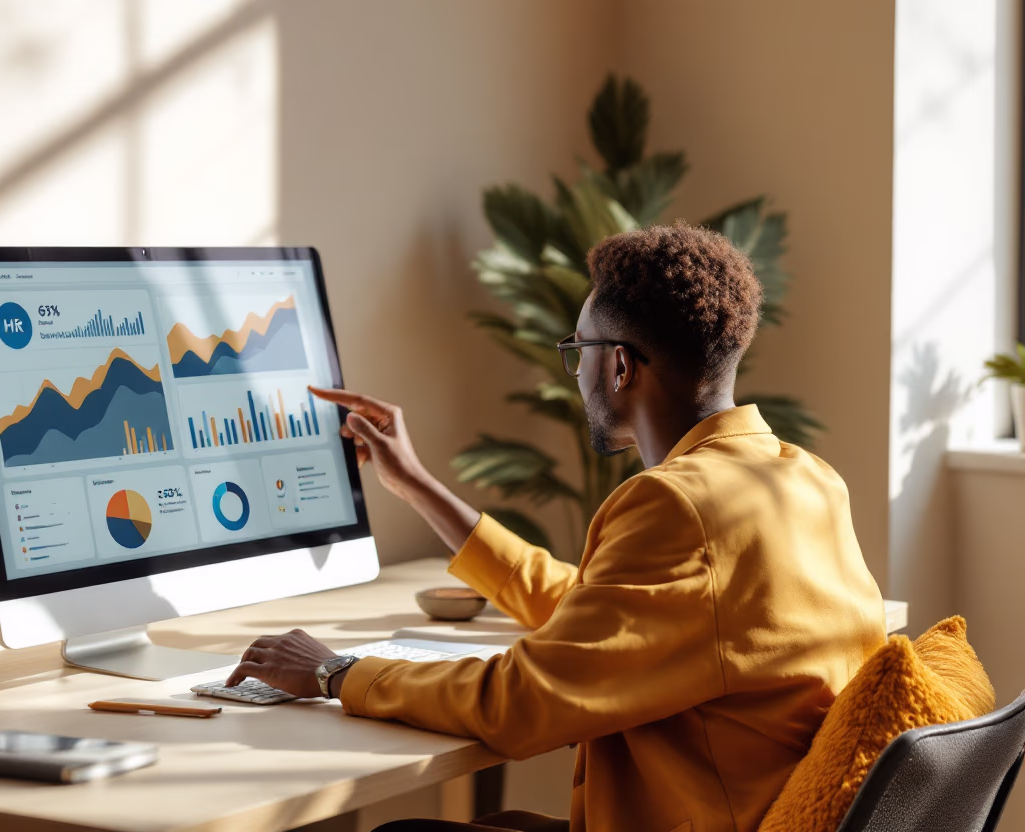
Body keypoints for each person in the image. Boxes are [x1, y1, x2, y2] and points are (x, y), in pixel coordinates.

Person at [225, 224, 886, 832]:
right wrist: (416, 485)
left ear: (619, 366)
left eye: (580, 351)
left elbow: (518, 703)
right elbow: (602, 615)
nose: (578, 372)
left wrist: (335, 672)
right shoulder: (802, 478)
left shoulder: (673, 505)